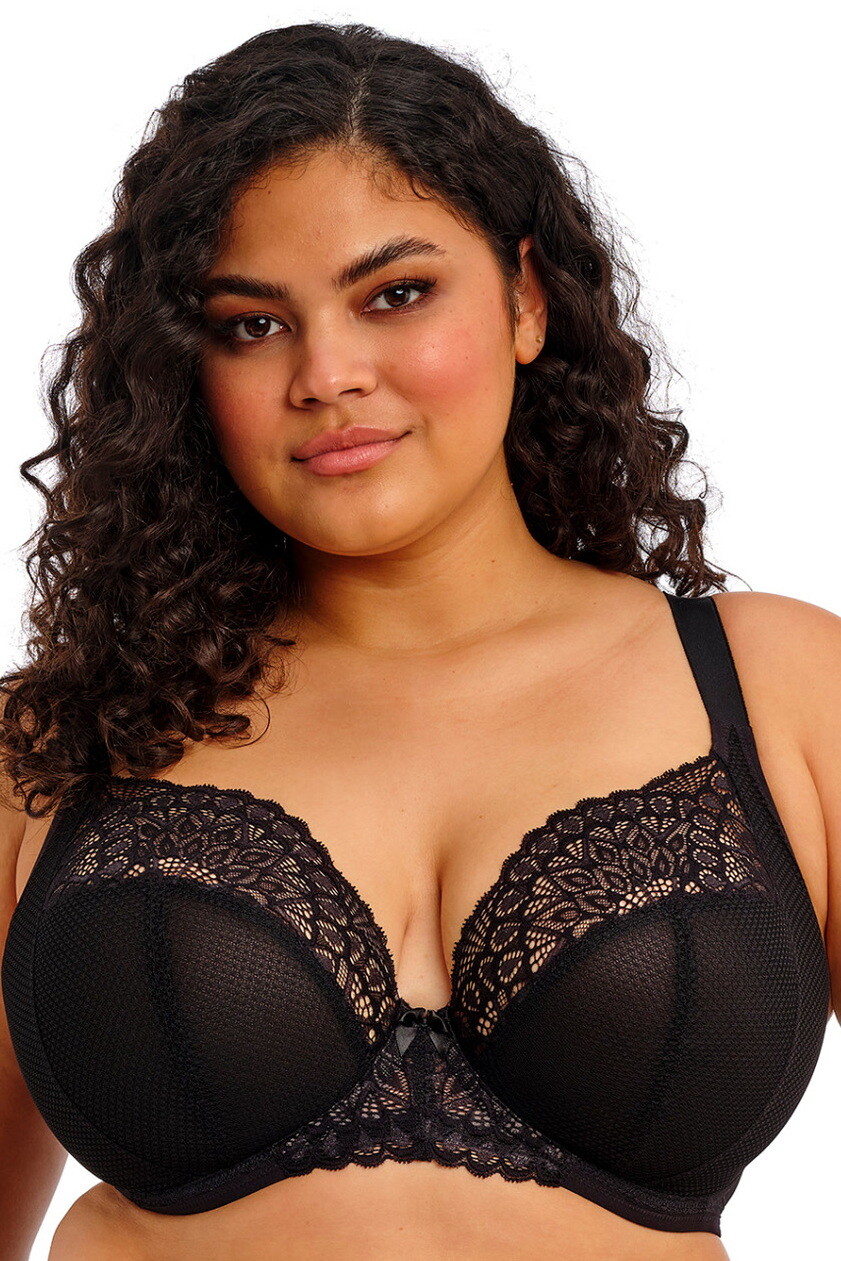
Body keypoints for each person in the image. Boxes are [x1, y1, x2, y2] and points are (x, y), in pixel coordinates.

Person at [1, 20, 839, 1261]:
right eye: (251, 324)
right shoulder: (60, 739)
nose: (328, 374)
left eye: (395, 295)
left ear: (526, 300)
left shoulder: (782, 691)